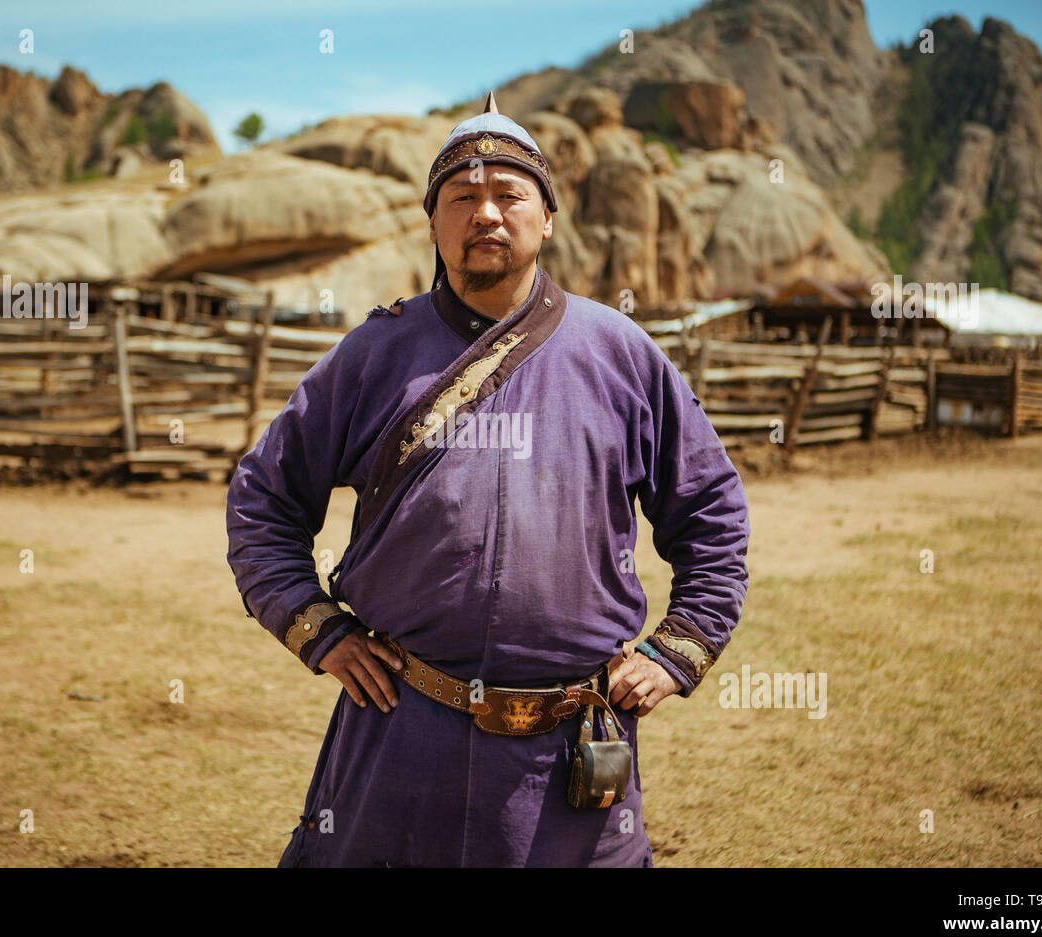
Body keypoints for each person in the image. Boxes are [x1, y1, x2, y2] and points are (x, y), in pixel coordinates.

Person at [226, 92, 750, 867]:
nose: (486, 215)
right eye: (462, 198)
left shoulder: (621, 354)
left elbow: (711, 514)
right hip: (401, 730)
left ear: (547, 219)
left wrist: (678, 650)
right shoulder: (374, 354)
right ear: (434, 222)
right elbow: (264, 498)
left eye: (508, 195)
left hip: (570, 748)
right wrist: (317, 626)